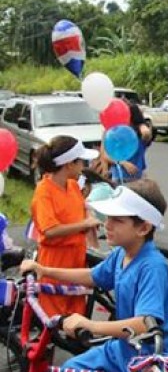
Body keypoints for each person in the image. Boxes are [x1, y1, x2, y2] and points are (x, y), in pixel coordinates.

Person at [20, 179, 168, 372]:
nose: (106, 225)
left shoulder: (152, 266)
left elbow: (146, 323)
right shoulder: (122, 254)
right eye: (108, 218)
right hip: (122, 348)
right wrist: (44, 269)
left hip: (154, 356)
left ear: (143, 228)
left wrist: (91, 325)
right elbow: (92, 276)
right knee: (73, 371)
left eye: (117, 220)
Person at [31, 136, 100, 319]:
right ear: (69, 164)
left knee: (77, 318)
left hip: (77, 259)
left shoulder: (72, 185)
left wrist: (89, 217)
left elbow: (81, 208)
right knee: (53, 320)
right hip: (55, 262)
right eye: (81, 162)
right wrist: (84, 224)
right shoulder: (44, 191)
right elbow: (49, 230)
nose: (83, 167)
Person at [101, 101, 152, 183]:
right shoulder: (112, 132)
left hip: (138, 178)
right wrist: (123, 163)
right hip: (119, 176)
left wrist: (142, 125)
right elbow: (105, 155)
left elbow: (147, 135)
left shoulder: (139, 133)